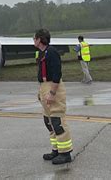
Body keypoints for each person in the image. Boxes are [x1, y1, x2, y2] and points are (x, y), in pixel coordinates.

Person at [33, 29, 73, 165]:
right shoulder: (42, 53)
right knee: (48, 121)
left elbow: (57, 73)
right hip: (44, 86)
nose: (33, 41)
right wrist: (41, 92)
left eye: (34, 38)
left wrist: (52, 93)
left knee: (57, 121)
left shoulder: (52, 53)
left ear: (39, 39)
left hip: (53, 86)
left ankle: (65, 153)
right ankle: (56, 150)